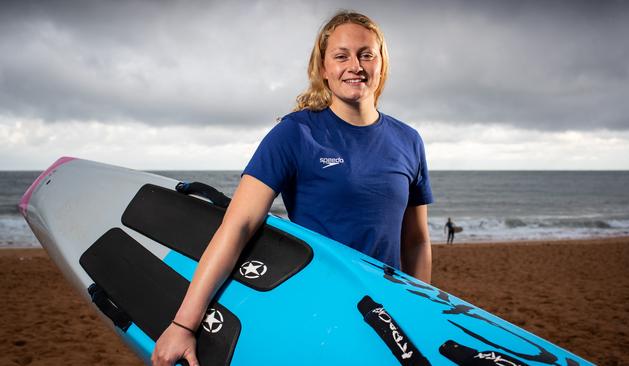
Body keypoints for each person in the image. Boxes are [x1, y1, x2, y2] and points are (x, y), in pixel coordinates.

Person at [151, 10, 433, 366]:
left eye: (366, 54)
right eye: (341, 55)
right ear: (323, 67)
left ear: (381, 62)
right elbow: (238, 226)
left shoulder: (408, 141)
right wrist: (183, 324)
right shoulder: (296, 133)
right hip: (315, 307)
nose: (355, 65)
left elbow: (416, 240)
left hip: (386, 313)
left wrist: (415, 310)